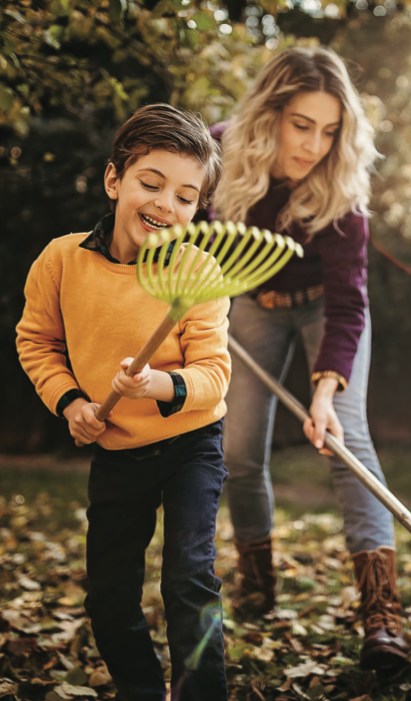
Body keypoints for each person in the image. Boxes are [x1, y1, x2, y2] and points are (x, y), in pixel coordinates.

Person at [16, 104, 228, 701]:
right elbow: (37, 342)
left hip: (191, 444)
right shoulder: (61, 262)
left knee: (190, 580)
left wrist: (157, 385)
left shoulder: (197, 273)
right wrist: (71, 402)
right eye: (151, 184)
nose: (166, 206)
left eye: (186, 197)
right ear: (115, 180)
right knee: (108, 595)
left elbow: (214, 375)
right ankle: (140, 689)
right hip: (116, 448)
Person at [211, 46, 409, 672]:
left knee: (347, 439)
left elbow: (351, 303)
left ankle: (382, 617)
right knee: (240, 451)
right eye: (302, 125)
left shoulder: (341, 190)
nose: (314, 146)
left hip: (326, 304)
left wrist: (325, 392)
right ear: (270, 114)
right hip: (252, 301)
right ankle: (258, 586)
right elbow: (179, 229)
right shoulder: (217, 152)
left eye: (329, 131)